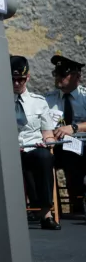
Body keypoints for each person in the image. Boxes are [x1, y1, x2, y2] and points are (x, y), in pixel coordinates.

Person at [10, 55, 60, 230]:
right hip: (10, 151)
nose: (17, 83)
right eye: (13, 80)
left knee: (44, 157)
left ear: (27, 77)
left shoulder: (39, 102)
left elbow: (48, 134)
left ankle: (46, 214)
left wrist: (48, 143)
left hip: (33, 148)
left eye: (21, 79)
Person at [45, 53, 86, 209]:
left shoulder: (84, 97)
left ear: (76, 76)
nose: (58, 78)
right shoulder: (48, 99)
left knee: (74, 156)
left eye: (63, 74)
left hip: (83, 145)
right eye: (56, 74)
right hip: (58, 148)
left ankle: (78, 203)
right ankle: (54, 207)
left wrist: (74, 128)